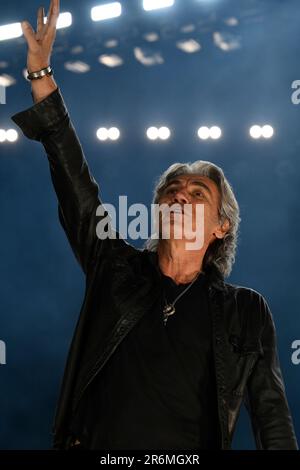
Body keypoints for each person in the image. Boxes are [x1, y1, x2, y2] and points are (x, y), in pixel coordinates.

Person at [11, 0, 298, 450]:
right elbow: (76, 188)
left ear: (221, 227)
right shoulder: (114, 269)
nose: (180, 195)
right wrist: (41, 76)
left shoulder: (246, 311)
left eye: (197, 193)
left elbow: (272, 416)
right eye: (171, 189)